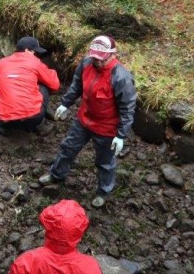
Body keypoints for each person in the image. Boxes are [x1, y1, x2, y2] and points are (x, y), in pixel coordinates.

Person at [41, 35, 136, 208]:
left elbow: (127, 109)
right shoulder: (87, 63)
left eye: (100, 59)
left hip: (107, 129)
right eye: (94, 57)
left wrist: (121, 135)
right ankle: (56, 174)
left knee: (105, 163)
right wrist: (65, 103)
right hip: (84, 120)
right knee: (67, 148)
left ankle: (103, 191)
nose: (96, 62)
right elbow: (77, 86)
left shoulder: (121, 78)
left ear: (112, 55)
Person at [0, 36, 60, 135]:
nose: (35, 54)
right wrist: (51, 72)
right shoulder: (34, 62)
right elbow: (55, 85)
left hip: (6, 121)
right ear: (26, 50)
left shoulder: (2, 62)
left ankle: (1, 123)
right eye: (34, 51)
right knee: (44, 85)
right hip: (34, 119)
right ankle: (40, 124)